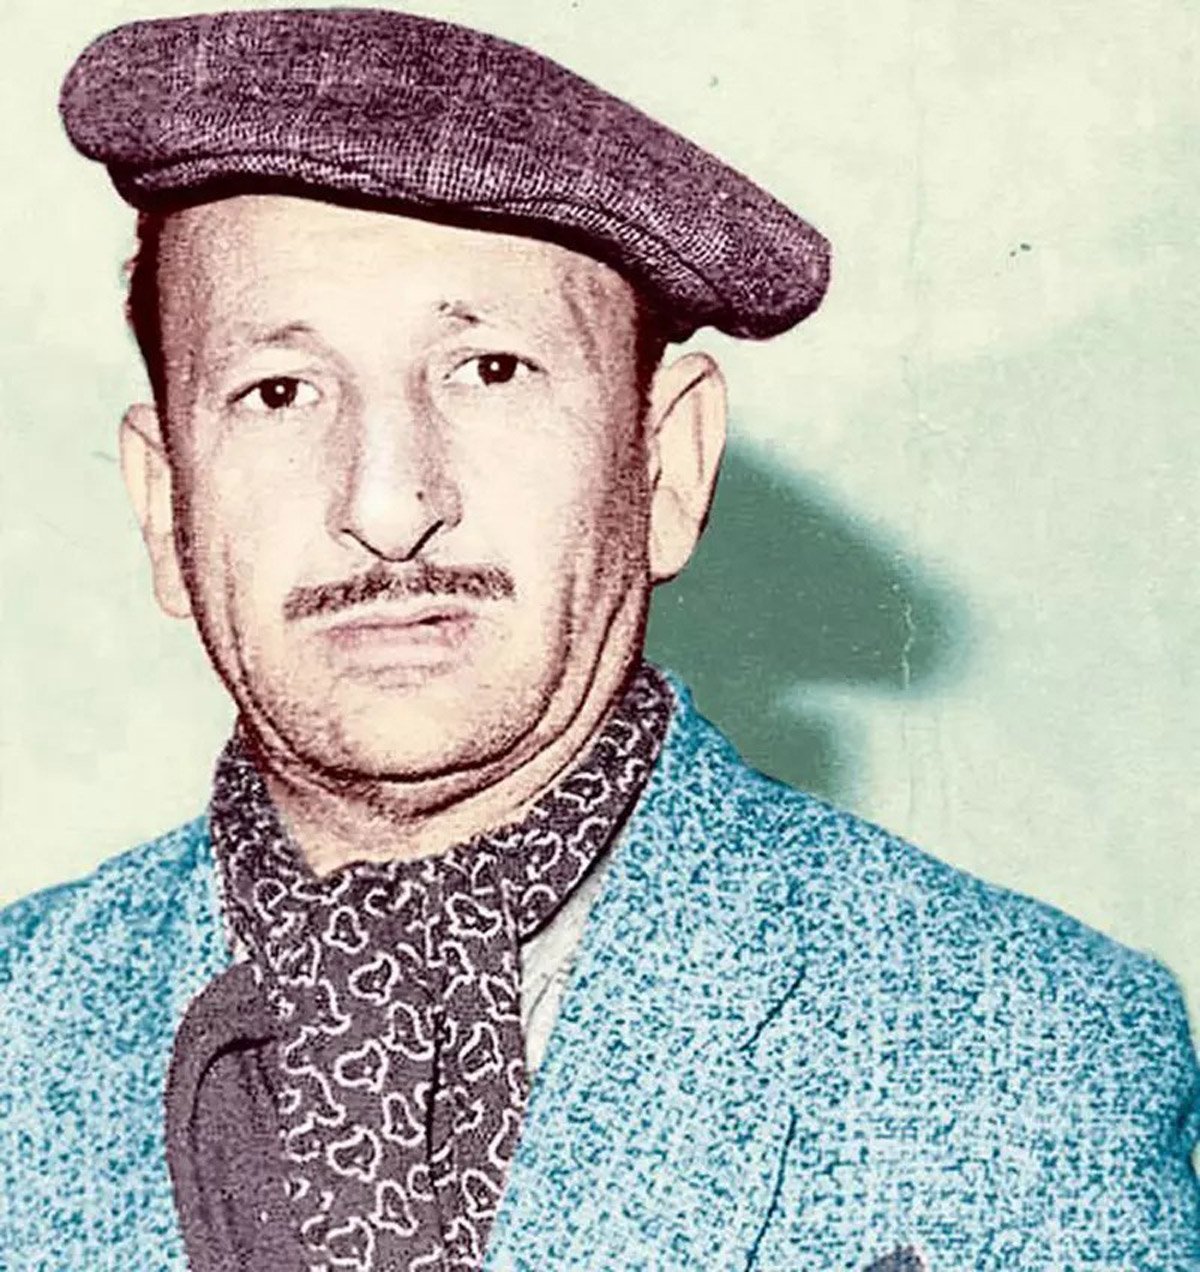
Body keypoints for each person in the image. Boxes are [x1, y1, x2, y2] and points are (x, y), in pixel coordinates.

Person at [1, 8, 1197, 1271]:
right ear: (163, 503)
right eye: (280, 392)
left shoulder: (1026, 1051)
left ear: (665, 461)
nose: (389, 506)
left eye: (491, 370)